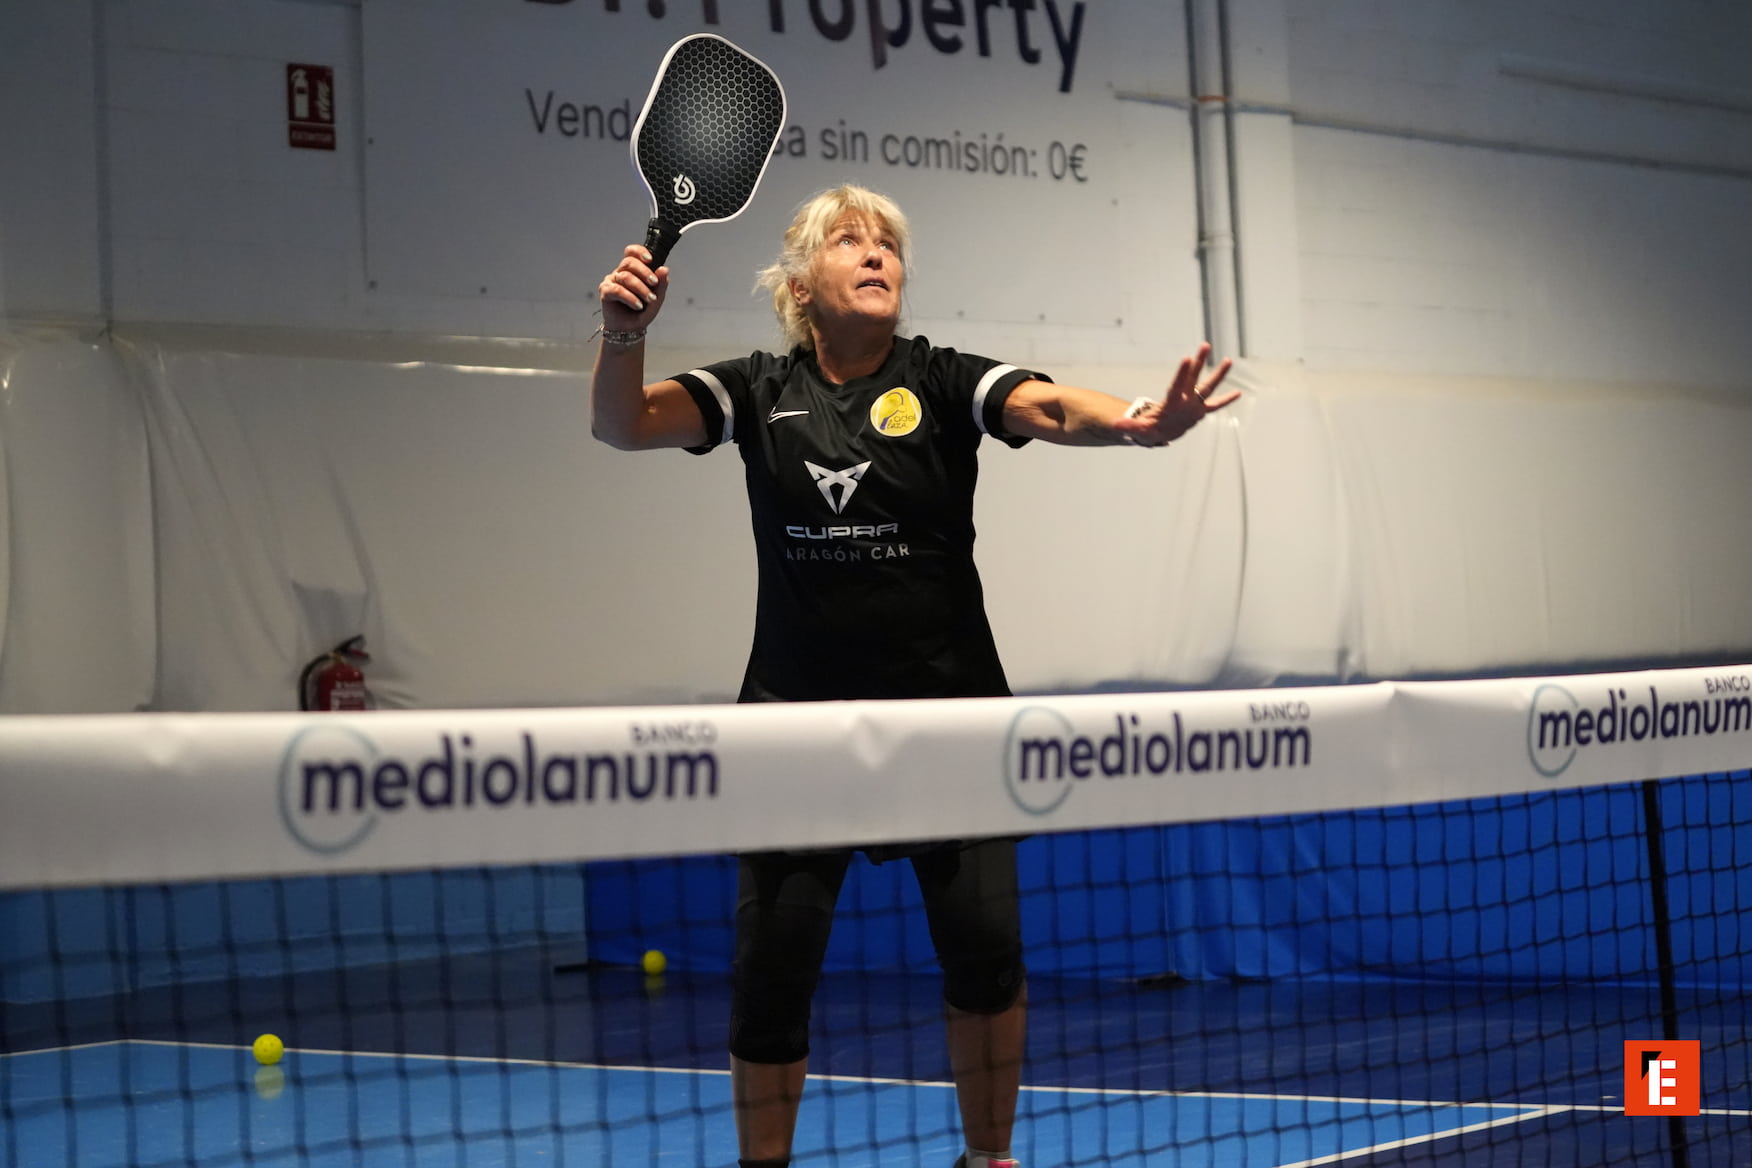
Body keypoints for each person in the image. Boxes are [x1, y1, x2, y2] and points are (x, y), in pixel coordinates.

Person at [591, 184, 1238, 1168]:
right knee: (770, 978)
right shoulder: (759, 392)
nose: (876, 251)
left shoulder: (940, 382)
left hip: (955, 734)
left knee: (987, 965)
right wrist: (623, 334)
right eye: (850, 239)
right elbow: (624, 423)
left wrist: (1139, 422)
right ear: (803, 283)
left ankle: (989, 1160)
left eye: (888, 241)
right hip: (796, 741)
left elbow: (1051, 403)